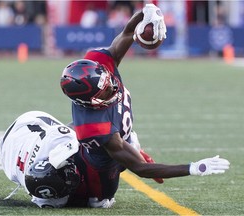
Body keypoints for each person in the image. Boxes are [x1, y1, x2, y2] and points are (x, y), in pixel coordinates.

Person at [60, 3, 230, 206]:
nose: (112, 87)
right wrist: (193, 168)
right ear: (89, 102)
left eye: (107, 80)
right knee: (101, 198)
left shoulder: (99, 63)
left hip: (115, 137)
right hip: (102, 174)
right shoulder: (94, 127)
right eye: (104, 90)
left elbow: (128, 31)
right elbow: (140, 168)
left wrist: (146, 12)